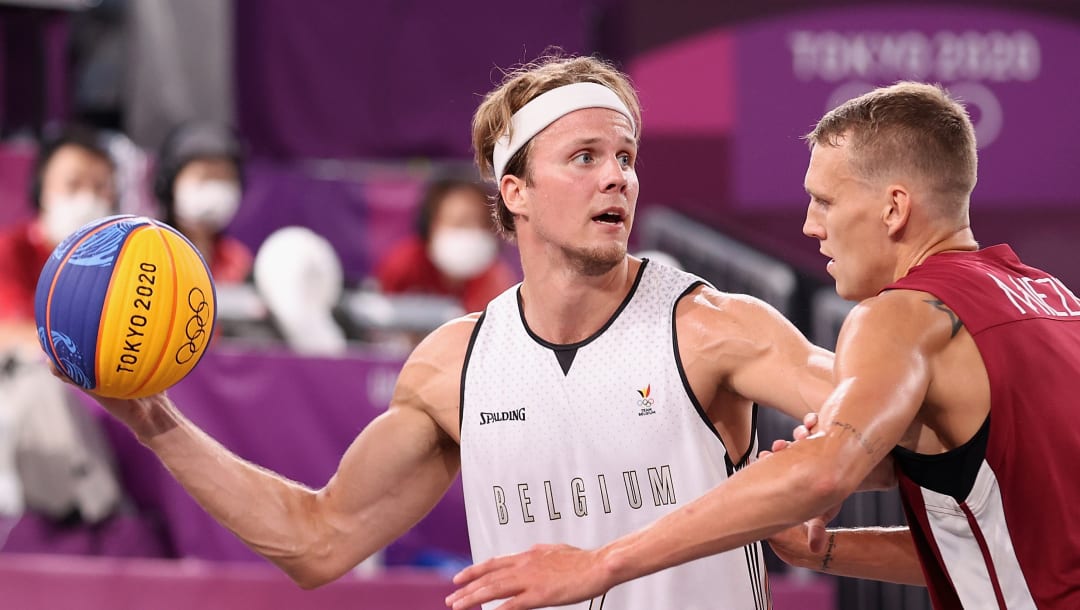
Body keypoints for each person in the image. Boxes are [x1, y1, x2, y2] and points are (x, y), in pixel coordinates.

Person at [76, 54, 833, 609]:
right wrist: (157, 422)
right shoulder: (454, 367)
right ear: (515, 190)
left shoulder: (713, 328)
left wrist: (832, 459)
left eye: (626, 158)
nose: (618, 178)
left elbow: (882, 426)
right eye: (585, 157)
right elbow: (317, 541)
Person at [447, 82, 1080, 610]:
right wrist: (828, 550)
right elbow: (1014, 540)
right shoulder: (1053, 301)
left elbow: (822, 471)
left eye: (824, 201)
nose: (811, 225)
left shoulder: (901, 316)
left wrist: (602, 564)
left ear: (893, 209)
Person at [0, 124, 117, 355]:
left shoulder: (121, 263)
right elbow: (9, 331)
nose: (88, 197)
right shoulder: (10, 250)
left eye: (100, 187)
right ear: (42, 189)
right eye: (73, 184)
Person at [375, 177, 516, 313]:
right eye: (461, 222)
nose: (473, 231)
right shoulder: (404, 264)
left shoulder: (493, 277)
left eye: (481, 223)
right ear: (432, 225)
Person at [153, 120, 252, 284]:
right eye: (205, 176)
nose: (215, 189)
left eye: (225, 179)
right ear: (170, 184)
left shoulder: (238, 261)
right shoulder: (148, 251)